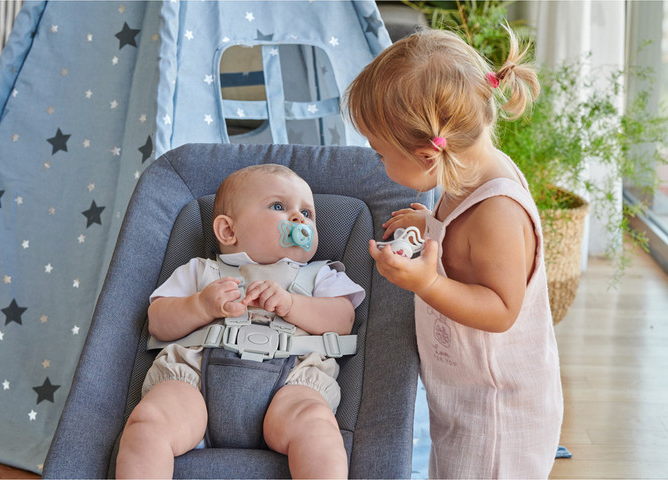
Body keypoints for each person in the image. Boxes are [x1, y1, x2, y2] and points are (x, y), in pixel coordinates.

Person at [344, 27, 563, 478]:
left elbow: (501, 309)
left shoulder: (497, 213)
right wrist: (431, 225)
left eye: (381, 154)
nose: (378, 163)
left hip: (497, 415)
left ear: (427, 155)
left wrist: (427, 283)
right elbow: (464, 244)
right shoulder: (468, 175)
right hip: (466, 398)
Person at [115, 164, 365, 479]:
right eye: (279, 206)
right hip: (193, 384)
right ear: (228, 231)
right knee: (149, 423)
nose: (299, 218)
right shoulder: (201, 271)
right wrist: (200, 305)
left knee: (316, 425)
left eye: (307, 213)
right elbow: (158, 322)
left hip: (291, 386)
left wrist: (291, 304)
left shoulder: (319, 275)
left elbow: (343, 319)